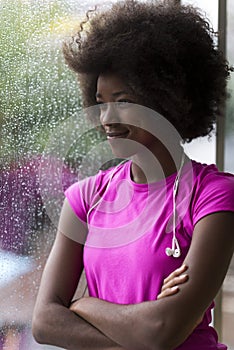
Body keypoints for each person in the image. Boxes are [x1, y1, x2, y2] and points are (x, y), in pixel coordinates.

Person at [32, 0, 234, 349]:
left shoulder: (213, 195)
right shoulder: (86, 197)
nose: (106, 118)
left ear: (166, 100)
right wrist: (140, 333)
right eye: (100, 101)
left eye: (122, 100)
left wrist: (83, 305)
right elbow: (45, 322)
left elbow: (162, 330)